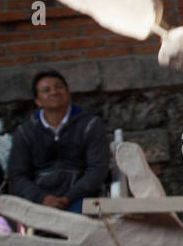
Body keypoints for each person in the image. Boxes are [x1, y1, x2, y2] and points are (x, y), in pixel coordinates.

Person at [7, 71, 110, 213]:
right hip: (40, 201)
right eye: (46, 90)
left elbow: (97, 170)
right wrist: (42, 198)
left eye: (58, 87)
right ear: (37, 101)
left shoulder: (90, 125)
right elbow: (18, 176)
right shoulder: (26, 132)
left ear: (68, 93)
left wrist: (68, 198)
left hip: (82, 198)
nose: (54, 92)